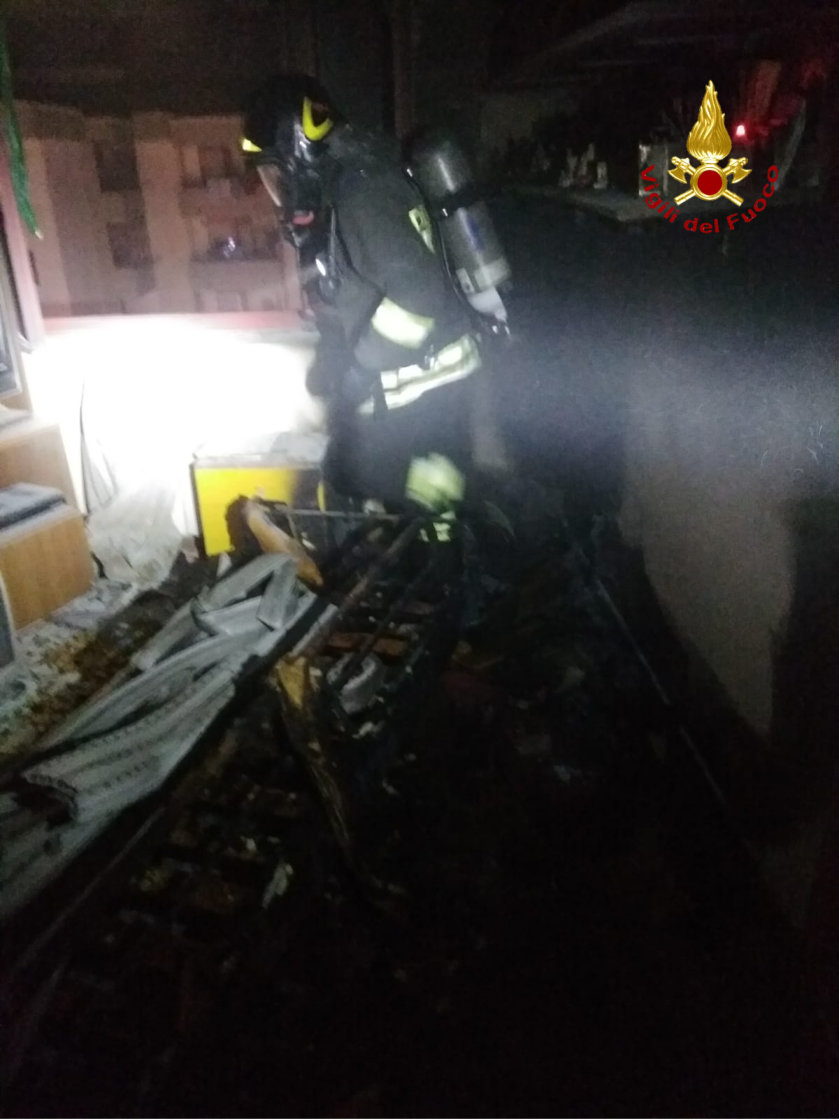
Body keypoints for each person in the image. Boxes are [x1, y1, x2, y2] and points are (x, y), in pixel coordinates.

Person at [240, 73, 509, 521]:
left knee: (358, 473)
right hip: (424, 379)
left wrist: (363, 365)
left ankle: (468, 518)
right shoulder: (356, 180)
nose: (275, 190)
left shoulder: (359, 195)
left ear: (299, 154)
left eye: (274, 173)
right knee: (423, 502)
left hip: (427, 383)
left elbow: (418, 293)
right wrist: (337, 362)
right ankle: (445, 530)